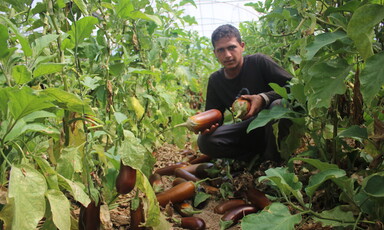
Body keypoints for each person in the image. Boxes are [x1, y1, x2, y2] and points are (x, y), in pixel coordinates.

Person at [197, 24, 292, 162]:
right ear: (215, 53)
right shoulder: (215, 80)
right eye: (221, 50)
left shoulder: (259, 62)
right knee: (205, 141)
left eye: (232, 47)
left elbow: (293, 86)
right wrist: (204, 123)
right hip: (247, 130)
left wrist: (263, 98)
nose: (227, 55)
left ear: (242, 46)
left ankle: (273, 161)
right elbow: (215, 116)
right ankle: (251, 158)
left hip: (271, 125)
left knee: (279, 105)